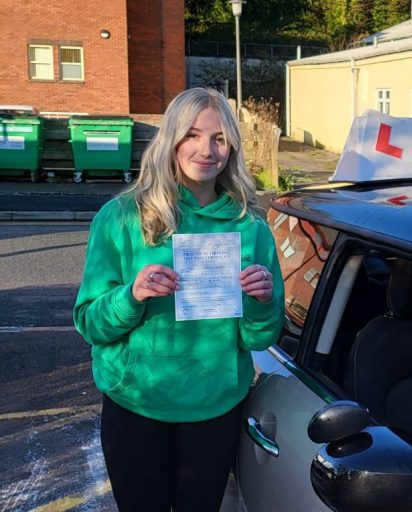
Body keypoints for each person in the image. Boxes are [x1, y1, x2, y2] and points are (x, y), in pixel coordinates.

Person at [73, 87, 285, 511]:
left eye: (219, 138)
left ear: (233, 147)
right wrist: (131, 296)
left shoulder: (251, 229)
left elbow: (259, 339)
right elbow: (89, 324)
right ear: (170, 139)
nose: (206, 150)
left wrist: (262, 302)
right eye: (192, 135)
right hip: (136, 404)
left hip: (214, 407)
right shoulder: (122, 217)